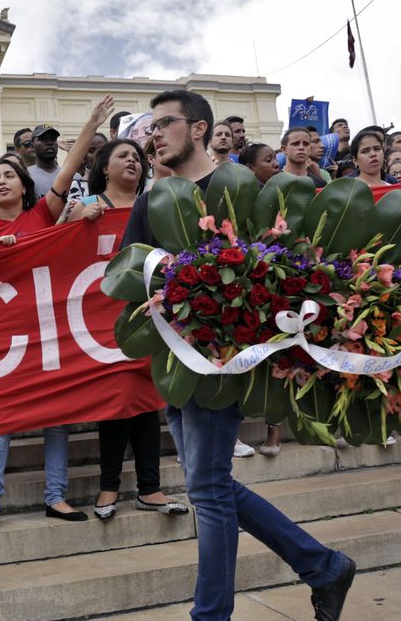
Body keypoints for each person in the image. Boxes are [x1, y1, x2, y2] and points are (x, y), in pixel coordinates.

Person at [122, 89, 355, 621]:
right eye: (151, 127)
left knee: (206, 487)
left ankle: (212, 615)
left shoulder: (244, 187)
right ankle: (323, 567)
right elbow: (128, 272)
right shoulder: (149, 199)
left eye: (165, 123)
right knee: (212, 485)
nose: (154, 134)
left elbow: (285, 263)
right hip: (176, 361)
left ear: (200, 128)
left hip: (226, 360)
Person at [0, 96, 116, 533]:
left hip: (46, 331)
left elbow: (70, 167)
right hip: (5, 339)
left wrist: (91, 122)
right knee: (1, 422)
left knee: (58, 420)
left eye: (8, 175)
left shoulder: (42, 213)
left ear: (22, 183)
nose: (1, 182)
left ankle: (56, 497)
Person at [66, 139, 186, 519]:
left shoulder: (154, 203)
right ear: (104, 166)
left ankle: (150, 488)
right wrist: (76, 221)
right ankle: (109, 486)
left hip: (145, 314)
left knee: (146, 400)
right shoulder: (84, 206)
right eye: (123, 156)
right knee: (115, 401)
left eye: (137, 157)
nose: (132, 161)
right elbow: (54, 249)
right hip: (97, 321)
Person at [27, 124, 61, 199]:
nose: (49, 142)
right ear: (32, 146)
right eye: (43, 139)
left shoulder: (72, 176)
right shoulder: (25, 176)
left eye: (53, 139)